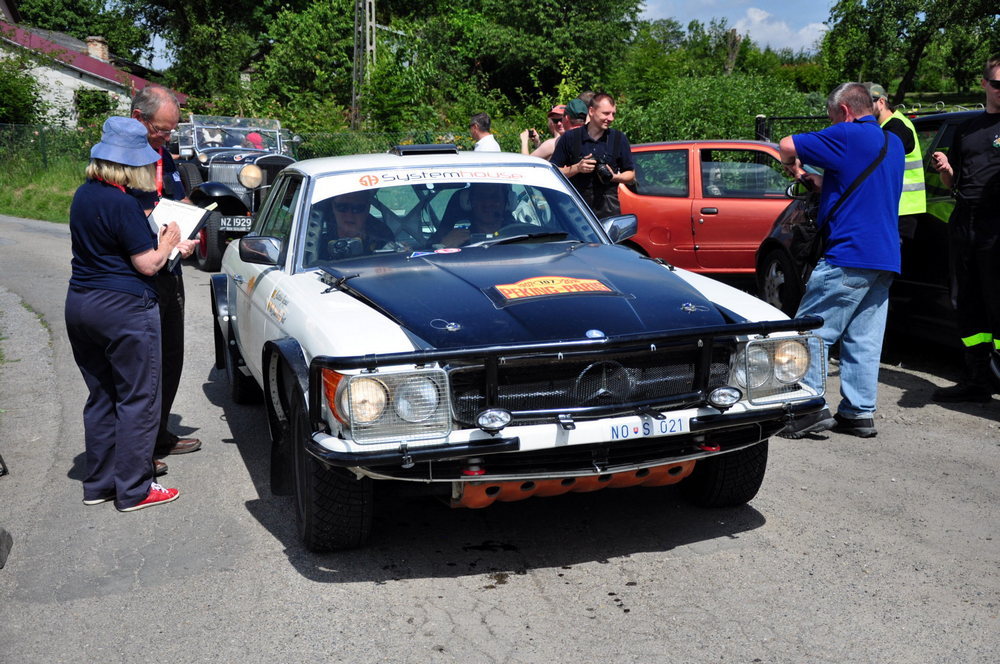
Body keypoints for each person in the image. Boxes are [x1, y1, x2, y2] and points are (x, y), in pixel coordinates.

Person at [65, 116, 183, 511]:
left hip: (81, 302)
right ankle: (135, 488)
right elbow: (148, 264)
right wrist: (168, 242)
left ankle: (99, 484)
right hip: (124, 308)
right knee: (139, 398)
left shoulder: (84, 194)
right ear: (132, 164)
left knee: (102, 395)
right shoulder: (123, 202)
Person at [777, 82, 905, 439]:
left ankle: (807, 407)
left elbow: (786, 145)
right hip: (884, 256)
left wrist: (791, 164)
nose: (830, 123)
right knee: (864, 338)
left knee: (810, 331)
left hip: (849, 253)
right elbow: (861, 187)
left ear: (845, 111)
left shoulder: (848, 134)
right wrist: (817, 181)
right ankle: (858, 413)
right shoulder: (892, 142)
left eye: (831, 116)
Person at [130, 86, 201, 462]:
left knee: (171, 354)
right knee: (144, 363)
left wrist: (191, 225)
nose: (166, 138)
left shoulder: (164, 155)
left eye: (172, 131)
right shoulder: (122, 160)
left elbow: (177, 199)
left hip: (170, 267)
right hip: (139, 273)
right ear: (138, 119)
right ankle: (137, 451)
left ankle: (158, 434)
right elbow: (131, 214)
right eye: (161, 130)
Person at [929, 55, 1000, 403]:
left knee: (997, 301)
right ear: (985, 84)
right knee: (967, 301)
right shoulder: (968, 128)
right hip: (965, 221)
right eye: (998, 83)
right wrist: (946, 169)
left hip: (997, 225)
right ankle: (977, 380)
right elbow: (953, 182)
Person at [550, 92, 635, 217]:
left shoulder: (618, 138)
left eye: (613, 114)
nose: (611, 118)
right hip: (576, 210)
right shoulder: (570, 137)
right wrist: (577, 168)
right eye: (606, 113)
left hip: (608, 211)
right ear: (591, 111)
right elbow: (552, 172)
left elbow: (631, 175)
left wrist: (613, 177)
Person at [864, 82, 926, 237]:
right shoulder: (888, 125)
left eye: (866, 104)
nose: (863, 110)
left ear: (881, 102)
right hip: (898, 207)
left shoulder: (896, 127)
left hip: (903, 209)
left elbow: (877, 163)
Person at [437, 183, 517, 247]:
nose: (488, 203)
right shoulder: (457, 238)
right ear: (468, 202)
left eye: (494, 197)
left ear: (508, 201)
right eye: (481, 197)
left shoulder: (520, 234)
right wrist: (444, 246)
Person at [321, 190, 394, 258]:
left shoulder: (383, 241)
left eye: (357, 208)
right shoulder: (318, 245)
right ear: (333, 207)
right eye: (342, 207)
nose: (349, 215)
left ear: (367, 209)